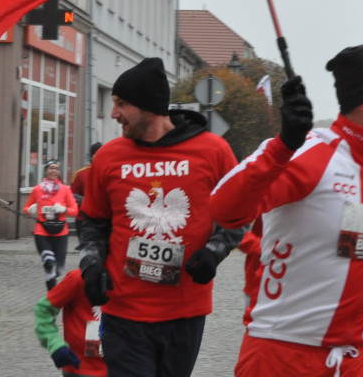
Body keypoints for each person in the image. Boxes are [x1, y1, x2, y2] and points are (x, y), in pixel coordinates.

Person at [210, 44, 363, 377]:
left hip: (358, 356)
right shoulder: (306, 152)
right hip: (282, 355)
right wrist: (282, 146)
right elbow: (224, 209)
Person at [78, 57, 242, 377]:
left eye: (121, 104)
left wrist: (215, 252)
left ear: (149, 107)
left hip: (185, 311)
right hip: (123, 311)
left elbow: (238, 216)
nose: (114, 114)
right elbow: (92, 222)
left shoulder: (213, 151)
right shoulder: (109, 157)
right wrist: (90, 265)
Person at [34, 267, 107, 377]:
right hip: (81, 369)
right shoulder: (77, 278)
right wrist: (55, 344)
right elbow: (43, 309)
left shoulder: (129, 281)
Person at [27, 159, 79, 289]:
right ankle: (51, 297)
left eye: (56, 168)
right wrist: (30, 209)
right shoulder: (37, 190)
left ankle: (52, 291)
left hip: (61, 232)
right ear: (46, 170)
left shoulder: (65, 190)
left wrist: (64, 209)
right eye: (51, 168)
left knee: (58, 269)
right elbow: (26, 207)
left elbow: (75, 210)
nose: (54, 171)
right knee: (49, 263)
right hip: (42, 230)